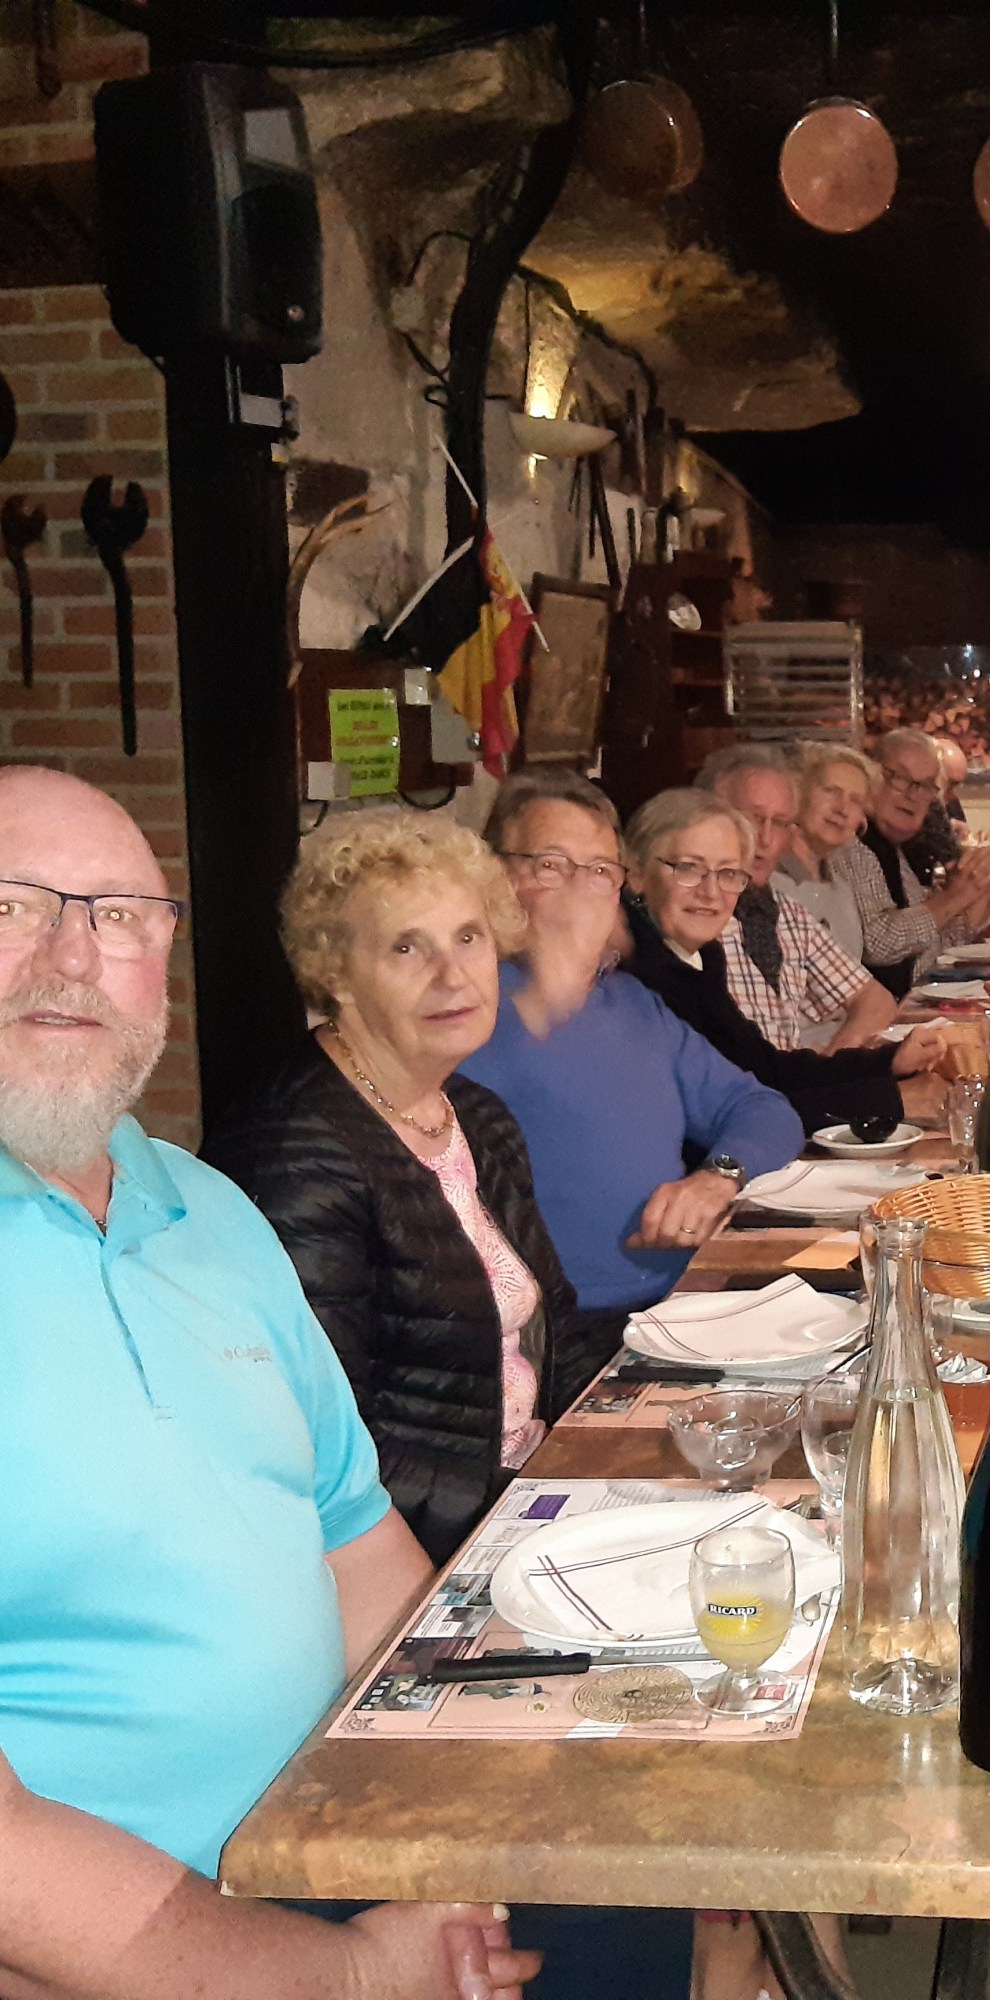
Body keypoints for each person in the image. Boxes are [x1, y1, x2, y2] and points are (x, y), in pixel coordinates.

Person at [0, 766, 533, 2000]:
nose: (71, 957)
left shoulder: (209, 1208)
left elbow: (359, 1553)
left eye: (119, 916)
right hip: (121, 1955)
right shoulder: (294, 1150)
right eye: (10, 907)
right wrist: (345, 1973)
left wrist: (477, 1812)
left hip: (330, 1834)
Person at [206, 808, 626, 1564]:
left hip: (526, 1493)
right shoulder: (292, 1150)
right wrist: (531, 1509)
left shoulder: (473, 1114)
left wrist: (668, 1385)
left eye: (468, 937)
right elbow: (327, 1445)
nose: (452, 974)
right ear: (336, 973)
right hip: (421, 1549)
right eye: (407, 947)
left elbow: (555, 1328)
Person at [462, 769, 803, 1313]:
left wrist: (716, 1179)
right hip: (555, 1326)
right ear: (494, 875)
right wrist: (542, 991)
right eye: (551, 865)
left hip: (685, 1300)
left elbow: (763, 1108)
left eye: (600, 870)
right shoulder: (463, 1006)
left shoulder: (631, 1002)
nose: (580, 888)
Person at [621, 786, 949, 1134]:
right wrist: (888, 1099)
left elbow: (767, 1070)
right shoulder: (639, 979)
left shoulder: (700, 957)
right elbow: (717, 1116)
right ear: (637, 874)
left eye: (728, 873)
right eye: (689, 868)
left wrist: (888, 1061)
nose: (711, 892)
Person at [698, 744, 899, 1051]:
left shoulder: (784, 910)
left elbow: (874, 1000)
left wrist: (833, 1063)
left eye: (778, 823)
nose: (765, 838)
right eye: (753, 818)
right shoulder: (691, 912)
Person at [826, 727, 990, 997]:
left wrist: (977, 889)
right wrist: (956, 896)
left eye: (926, 786)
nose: (913, 795)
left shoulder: (901, 852)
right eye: (901, 779)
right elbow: (879, 944)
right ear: (871, 774)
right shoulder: (849, 843)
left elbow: (931, 945)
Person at [776, 743, 876, 965]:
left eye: (855, 801)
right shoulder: (769, 880)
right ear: (799, 794)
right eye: (831, 791)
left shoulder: (841, 890)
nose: (842, 809)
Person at [902, 734, 969, 882]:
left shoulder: (947, 801)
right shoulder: (930, 804)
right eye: (950, 784)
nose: (952, 793)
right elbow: (957, 868)